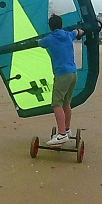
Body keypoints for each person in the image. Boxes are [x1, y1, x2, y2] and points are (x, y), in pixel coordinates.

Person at [38, 14, 84, 145]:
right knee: (66, 103)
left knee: (57, 104)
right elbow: (79, 31)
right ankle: (67, 130)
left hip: (62, 75)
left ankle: (62, 134)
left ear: (50, 26)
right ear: (61, 24)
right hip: (73, 74)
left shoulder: (50, 39)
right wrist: (82, 30)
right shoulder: (69, 35)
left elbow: (40, 43)